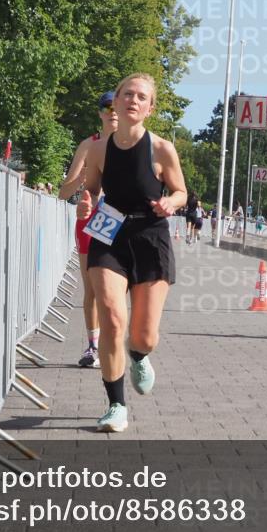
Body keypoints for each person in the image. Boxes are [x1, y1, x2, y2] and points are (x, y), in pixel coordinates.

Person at [77, 73, 187, 433]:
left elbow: (182, 192)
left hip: (150, 236)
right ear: (116, 102)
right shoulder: (98, 149)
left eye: (142, 97)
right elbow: (90, 189)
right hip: (110, 235)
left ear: (150, 108)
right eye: (127, 94)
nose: (133, 101)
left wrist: (171, 201)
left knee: (143, 336)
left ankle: (139, 355)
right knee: (111, 315)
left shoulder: (161, 149)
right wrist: (86, 200)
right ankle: (116, 405)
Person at [58, 91, 118, 367]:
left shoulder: (135, 144)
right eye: (107, 107)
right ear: (100, 113)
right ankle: (92, 347)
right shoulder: (88, 144)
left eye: (117, 106)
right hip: (90, 219)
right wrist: (81, 180)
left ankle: (115, 340)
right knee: (92, 288)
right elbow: (63, 193)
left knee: (116, 288)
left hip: (120, 218)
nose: (113, 111)